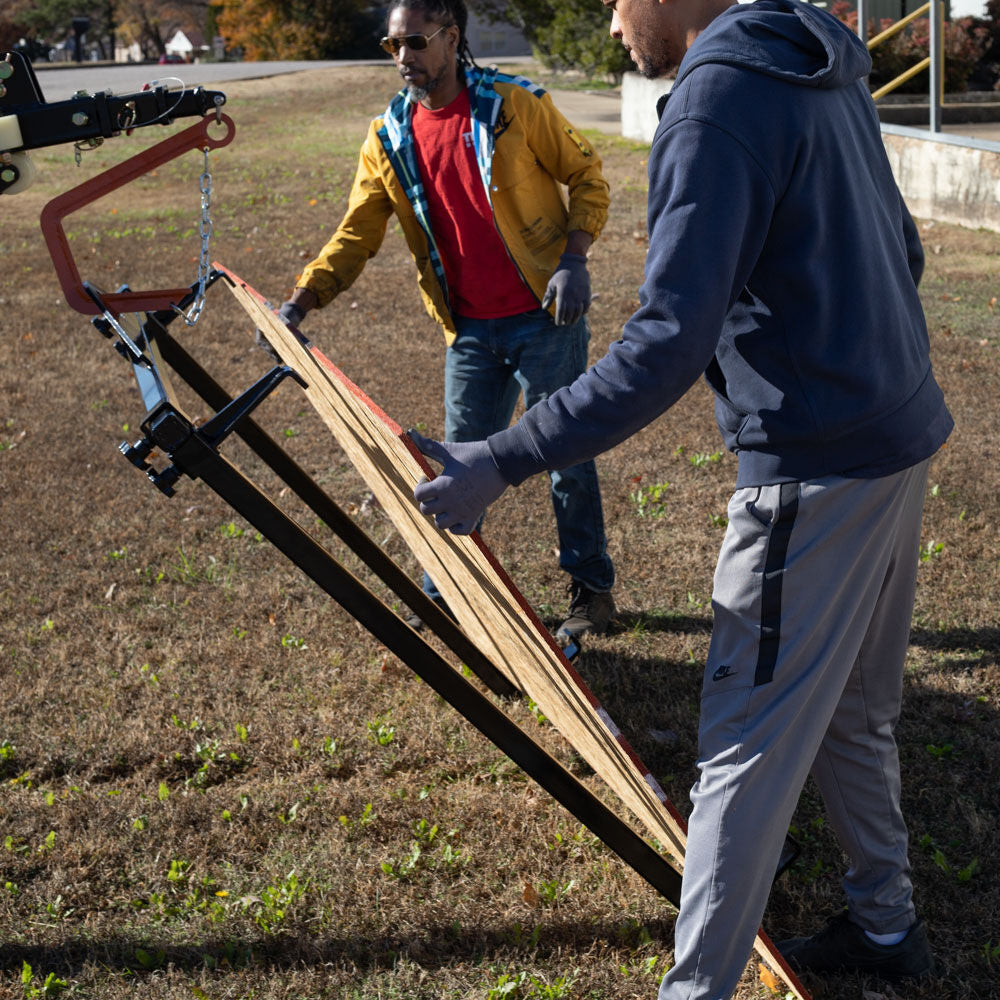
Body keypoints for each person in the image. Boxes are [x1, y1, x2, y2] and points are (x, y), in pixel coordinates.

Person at [410, 0, 953, 997]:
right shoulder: (818, 54)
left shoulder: (711, 100)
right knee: (853, 711)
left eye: (620, 0)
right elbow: (903, 252)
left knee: (745, 741)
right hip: (898, 430)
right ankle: (887, 931)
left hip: (817, 466)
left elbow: (668, 341)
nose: (615, 24)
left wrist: (503, 455)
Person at [268, 0, 616, 645]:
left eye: (416, 43)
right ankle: (447, 596)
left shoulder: (513, 105)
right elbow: (357, 232)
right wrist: (302, 300)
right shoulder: (390, 134)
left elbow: (586, 177)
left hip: (545, 316)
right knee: (453, 467)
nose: (403, 58)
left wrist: (573, 260)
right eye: (392, 45)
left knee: (566, 454)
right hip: (471, 332)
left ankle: (591, 592)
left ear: (452, 39)